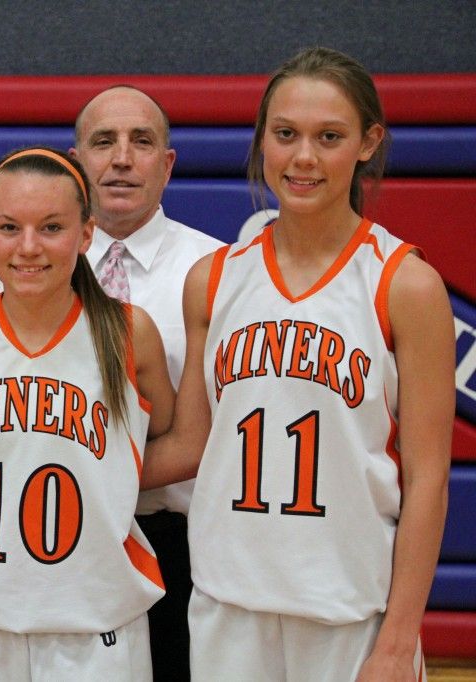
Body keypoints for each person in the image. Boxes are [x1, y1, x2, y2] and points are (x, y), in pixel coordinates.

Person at [142, 47, 454, 681]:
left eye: (329, 137)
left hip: (349, 617)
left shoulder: (405, 285)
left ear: (369, 143)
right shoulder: (214, 280)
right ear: (263, 139)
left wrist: (397, 642)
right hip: (227, 606)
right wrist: (72, 466)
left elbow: (428, 479)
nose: (303, 158)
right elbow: (192, 446)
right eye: (285, 134)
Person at [0, 147, 175, 681]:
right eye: (9, 227)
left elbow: (169, 438)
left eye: (53, 227)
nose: (29, 247)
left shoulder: (131, 333)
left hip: (95, 619)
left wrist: (108, 483)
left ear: (86, 235)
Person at [69, 84, 223, 681]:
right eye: (103, 142)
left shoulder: (219, 271)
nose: (122, 158)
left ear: (168, 162)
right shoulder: (36, 270)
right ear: (77, 159)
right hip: (63, 537)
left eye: (142, 141)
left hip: (182, 544)